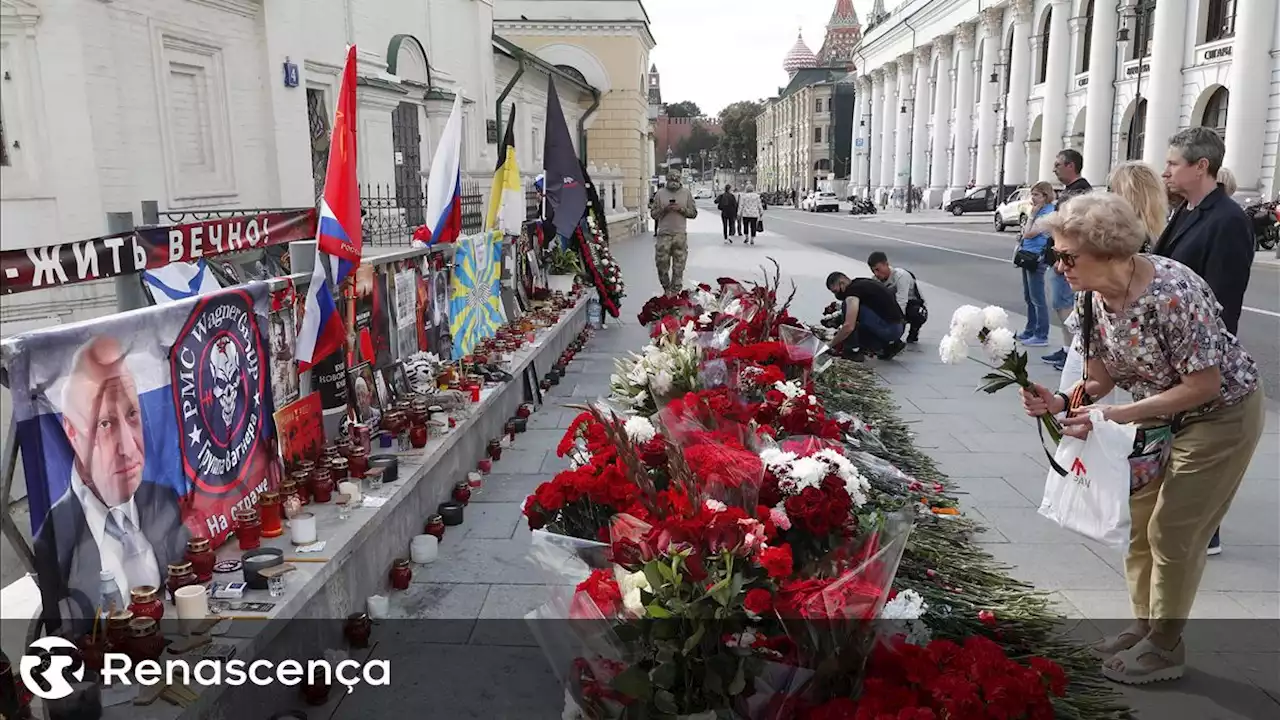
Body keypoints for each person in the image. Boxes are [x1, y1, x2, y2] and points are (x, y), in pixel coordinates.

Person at [1021, 192, 1264, 686]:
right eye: (1056, 255)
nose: (1058, 265)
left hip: (1220, 415)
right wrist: (1060, 402)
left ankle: (1165, 646)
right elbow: (1099, 379)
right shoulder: (1090, 298)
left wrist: (1119, 414)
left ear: (1108, 250)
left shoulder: (1172, 291)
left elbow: (1204, 385)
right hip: (1155, 412)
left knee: (1172, 532)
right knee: (1138, 526)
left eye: (1068, 255)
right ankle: (1144, 627)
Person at [34, 336, 188, 634]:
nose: (129, 448)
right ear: (71, 432)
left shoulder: (163, 500)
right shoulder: (54, 537)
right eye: (104, 424)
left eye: (132, 415)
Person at [1154, 128, 1255, 557]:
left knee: (1196, 443)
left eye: (1173, 164)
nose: (1165, 172)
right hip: (1173, 350)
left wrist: (1198, 360)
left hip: (1198, 356)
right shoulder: (1187, 210)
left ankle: (1204, 530)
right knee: (1172, 441)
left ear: (1201, 166)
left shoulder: (1228, 219)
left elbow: (1223, 300)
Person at [1042, 149, 1094, 370]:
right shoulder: (1071, 191)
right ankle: (1066, 349)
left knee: (1066, 307)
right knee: (1060, 306)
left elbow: (1073, 229)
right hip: (1060, 259)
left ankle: (1074, 351)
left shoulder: (1079, 192)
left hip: (1065, 262)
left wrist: (1063, 258)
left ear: (1070, 166)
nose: (1054, 168)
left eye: (1058, 164)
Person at [825, 272, 907, 361]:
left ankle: (853, 352)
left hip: (890, 329)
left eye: (835, 291)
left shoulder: (852, 292)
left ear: (842, 283)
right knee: (857, 327)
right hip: (899, 326)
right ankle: (888, 346)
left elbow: (849, 326)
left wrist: (830, 345)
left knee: (847, 308)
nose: (836, 295)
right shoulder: (860, 283)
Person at [1015, 182, 1057, 347]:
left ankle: (1041, 333)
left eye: (1037, 195)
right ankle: (1030, 329)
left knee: (1037, 297)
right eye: (1032, 194)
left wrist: (1032, 216)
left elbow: (1029, 233)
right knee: (1029, 296)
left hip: (1036, 256)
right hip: (1027, 254)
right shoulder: (1039, 211)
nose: (1033, 198)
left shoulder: (1048, 213)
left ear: (1046, 196)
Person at [649, 169, 697, 295]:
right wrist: (664, 210)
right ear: (667, 180)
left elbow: (693, 213)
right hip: (664, 235)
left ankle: (675, 293)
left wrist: (681, 209)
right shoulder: (660, 194)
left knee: (679, 267)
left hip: (679, 235)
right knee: (661, 264)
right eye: (671, 180)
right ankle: (666, 288)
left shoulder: (686, 193)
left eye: (676, 180)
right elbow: (653, 214)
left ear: (680, 180)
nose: (674, 182)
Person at [867, 251, 927, 343]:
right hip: (892, 304)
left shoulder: (901, 276)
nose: (876, 274)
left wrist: (896, 334)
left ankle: (914, 330)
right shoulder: (875, 280)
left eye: (878, 269)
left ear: (886, 264)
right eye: (873, 271)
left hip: (912, 304)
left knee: (915, 313)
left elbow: (901, 302)